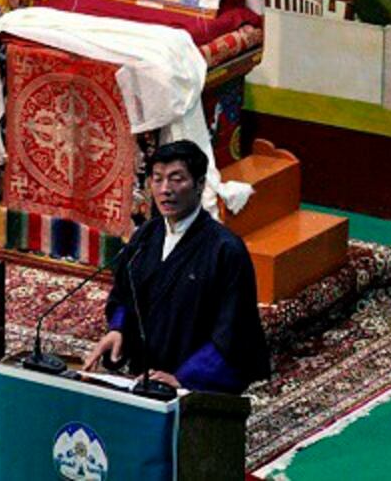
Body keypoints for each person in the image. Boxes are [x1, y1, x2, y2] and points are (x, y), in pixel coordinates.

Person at [83, 140, 270, 393]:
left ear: (200, 185)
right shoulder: (147, 236)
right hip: (146, 378)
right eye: (157, 179)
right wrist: (119, 329)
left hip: (194, 384)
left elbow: (232, 330)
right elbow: (127, 294)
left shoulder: (226, 250)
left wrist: (185, 378)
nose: (165, 190)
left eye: (176, 179)